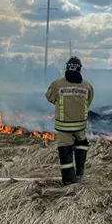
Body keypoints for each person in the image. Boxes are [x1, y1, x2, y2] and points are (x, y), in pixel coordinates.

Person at [45, 56, 94, 185]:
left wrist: (63, 103)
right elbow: (88, 101)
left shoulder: (57, 84)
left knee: (65, 153)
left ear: (67, 67)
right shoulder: (87, 86)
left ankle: (68, 180)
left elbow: (49, 97)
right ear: (80, 69)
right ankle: (80, 174)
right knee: (81, 147)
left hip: (64, 127)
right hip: (80, 126)